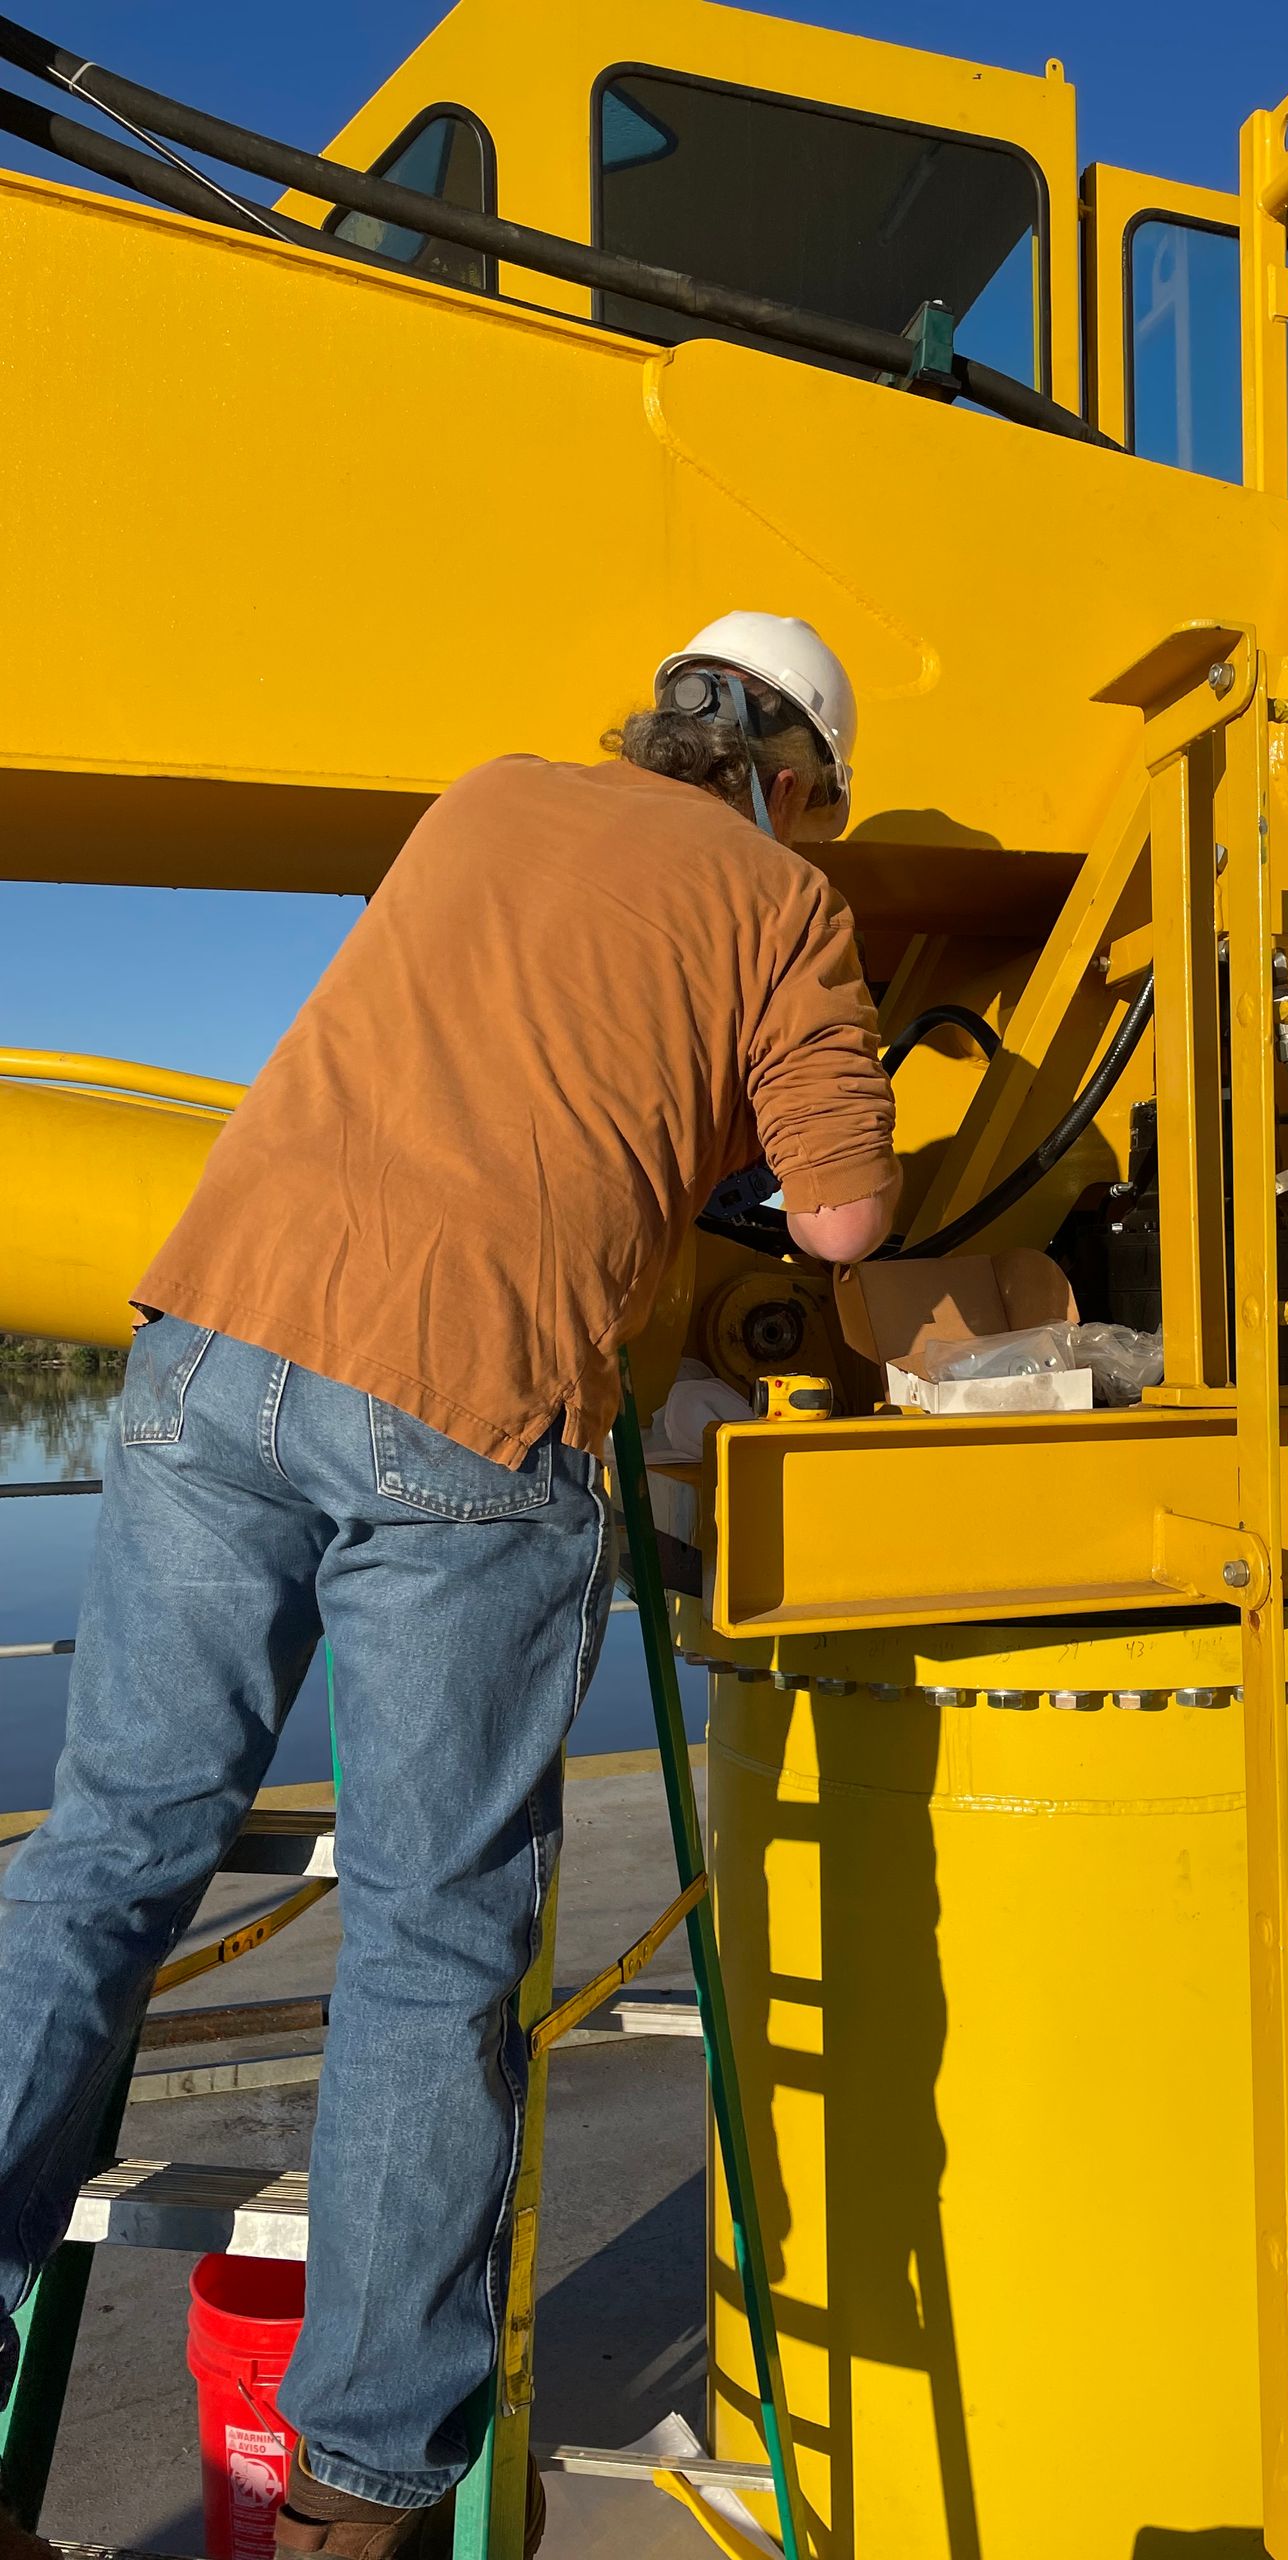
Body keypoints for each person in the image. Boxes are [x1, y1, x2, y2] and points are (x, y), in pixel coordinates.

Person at [0, 614, 899, 2560]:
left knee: (103, 1855)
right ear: (801, 778)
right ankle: (357, 2495)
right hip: (469, 1401)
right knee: (426, 1939)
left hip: (211, 1338)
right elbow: (840, 1220)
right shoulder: (787, 907)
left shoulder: (493, 789)